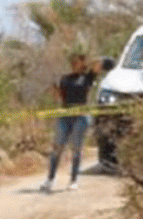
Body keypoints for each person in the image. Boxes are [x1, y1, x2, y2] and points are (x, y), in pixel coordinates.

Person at [41, 53, 104, 192]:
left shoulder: (87, 77)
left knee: (76, 149)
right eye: (73, 62)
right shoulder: (65, 78)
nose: (74, 64)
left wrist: (88, 62)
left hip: (80, 117)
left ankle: (74, 180)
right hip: (65, 116)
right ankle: (50, 179)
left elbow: (99, 63)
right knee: (57, 148)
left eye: (77, 62)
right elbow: (59, 98)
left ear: (82, 63)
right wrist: (54, 91)